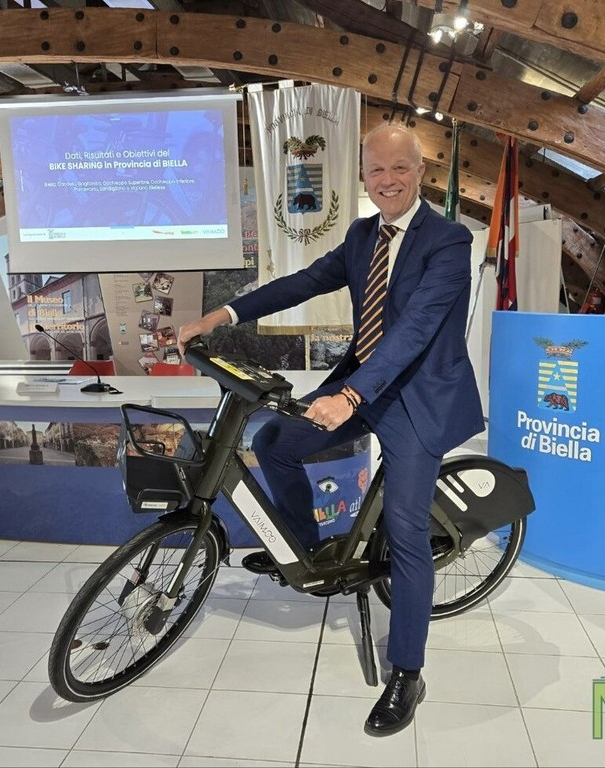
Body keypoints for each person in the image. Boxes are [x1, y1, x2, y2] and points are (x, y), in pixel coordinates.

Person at [177, 123, 483, 736]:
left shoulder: (449, 240)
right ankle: (310, 548)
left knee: (405, 535)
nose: (388, 181)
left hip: (416, 398)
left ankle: (408, 673)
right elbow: (304, 283)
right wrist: (222, 313)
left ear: (420, 172)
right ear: (363, 177)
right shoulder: (362, 235)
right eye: (377, 170)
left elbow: (416, 328)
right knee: (275, 443)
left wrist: (349, 395)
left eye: (400, 168)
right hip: (363, 383)